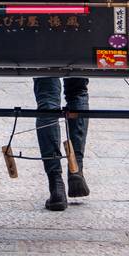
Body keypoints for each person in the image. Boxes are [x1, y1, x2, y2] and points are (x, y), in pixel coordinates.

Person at [34, 77, 90, 211]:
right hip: (79, 56)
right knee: (77, 91)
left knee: (47, 97)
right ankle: (75, 168)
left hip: (41, 56)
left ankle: (56, 186)